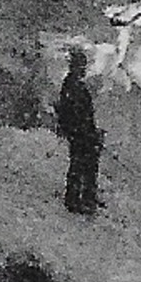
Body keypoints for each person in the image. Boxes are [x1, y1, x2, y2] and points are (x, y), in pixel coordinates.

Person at [55, 48, 103, 215]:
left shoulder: (74, 86)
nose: (83, 69)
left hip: (82, 132)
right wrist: (83, 131)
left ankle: (84, 198)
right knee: (81, 166)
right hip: (80, 134)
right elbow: (72, 114)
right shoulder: (72, 87)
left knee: (84, 166)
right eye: (81, 66)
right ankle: (76, 200)